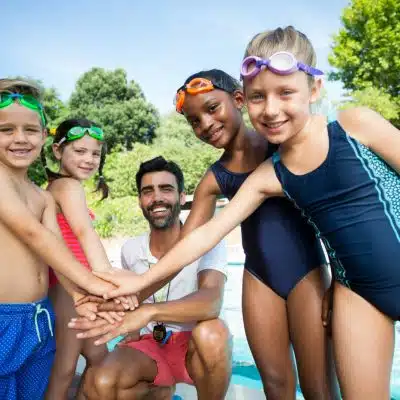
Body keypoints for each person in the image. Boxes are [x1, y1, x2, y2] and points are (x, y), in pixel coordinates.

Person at [87, 26, 400, 398]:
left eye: (285, 93)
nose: (270, 109)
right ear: (246, 98)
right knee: (299, 386)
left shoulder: (344, 129)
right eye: (259, 97)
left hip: (321, 276)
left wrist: (328, 278)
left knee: (319, 387)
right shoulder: (268, 174)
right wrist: (137, 288)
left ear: (313, 89)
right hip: (341, 293)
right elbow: (203, 235)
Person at [173, 69, 334, 398]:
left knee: (318, 388)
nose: (205, 124)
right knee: (275, 387)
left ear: (238, 100)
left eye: (212, 108)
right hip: (259, 281)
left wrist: (340, 280)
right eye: (194, 121)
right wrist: (125, 293)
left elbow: (333, 210)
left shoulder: (285, 146)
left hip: (309, 275)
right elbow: (184, 248)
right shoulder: (215, 178)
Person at [70, 156, 232, 400]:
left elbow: (211, 302)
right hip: (152, 346)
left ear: (182, 197)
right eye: (148, 191)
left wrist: (149, 312)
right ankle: (162, 391)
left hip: (194, 348)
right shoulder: (131, 249)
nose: (157, 198)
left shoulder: (207, 242)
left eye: (166, 189)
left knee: (212, 333)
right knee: (100, 381)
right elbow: (130, 304)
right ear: (140, 201)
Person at [0, 79, 117, 400]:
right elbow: (33, 234)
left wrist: (81, 294)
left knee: (35, 390)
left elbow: (57, 249)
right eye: (6, 130)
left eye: (30, 130)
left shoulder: (43, 197)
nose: (20, 138)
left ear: (42, 135)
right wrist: (99, 283)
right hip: (4, 318)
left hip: (40, 317)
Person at [44, 119, 136, 400]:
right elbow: (84, 234)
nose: (89, 159)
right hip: (69, 288)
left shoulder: (57, 187)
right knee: (65, 368)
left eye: (95, 154)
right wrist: (109, 281)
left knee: (100, 358)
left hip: (77, 285)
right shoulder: (67, 187)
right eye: (80, 151)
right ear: (58, 151)